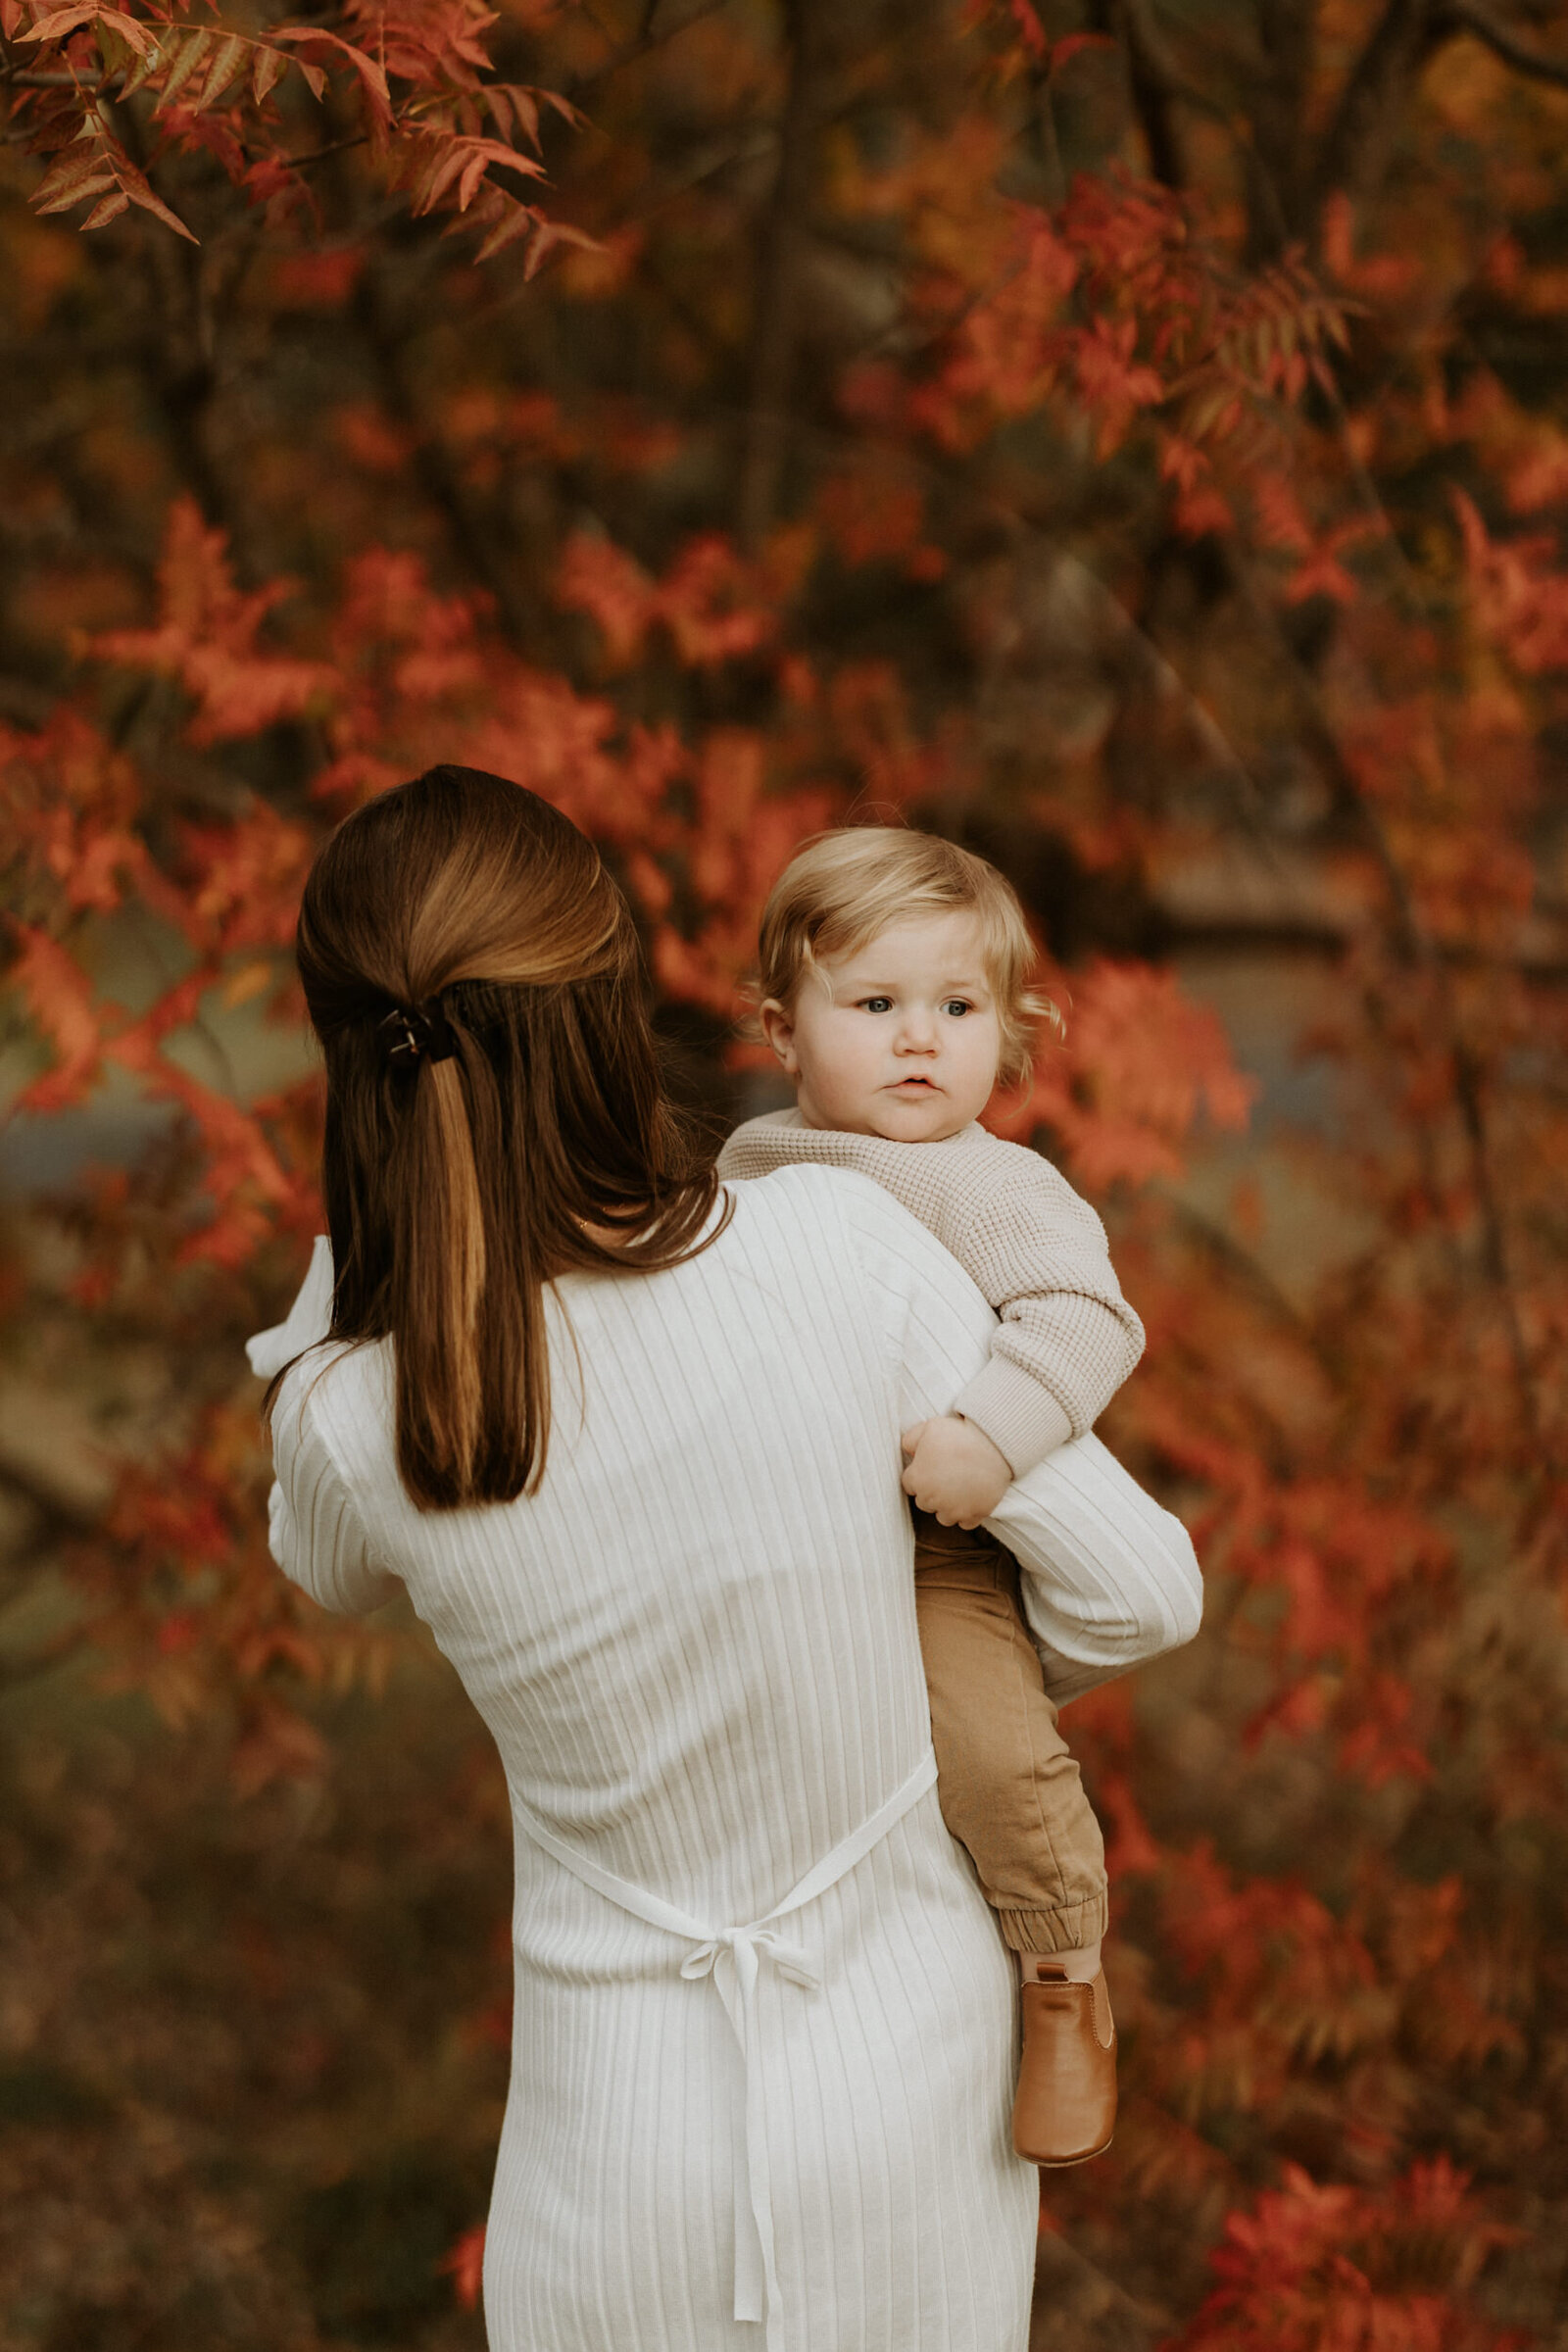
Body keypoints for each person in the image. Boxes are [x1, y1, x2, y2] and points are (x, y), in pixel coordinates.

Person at [254, 765, 1202, 2352]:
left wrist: (359, 1253)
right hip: (908, 2106)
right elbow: (1142, 1589)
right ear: (611, 1001)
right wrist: (903, 1657)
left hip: (606, 2162)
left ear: (352, 1055)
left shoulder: (364, 1406)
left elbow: (324, 1565)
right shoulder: (840, 1252)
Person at [717, 828, 1140, 2168]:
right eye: (876, 1005)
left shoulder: (988, 1181)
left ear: (1007, 1035)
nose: (919, 1042)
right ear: (784, 1029)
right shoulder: (748, 1164)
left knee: (993, 1750)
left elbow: (1087, 1317)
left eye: (956, 1010)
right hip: (770, 1535)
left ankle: (1063, 1973)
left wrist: (991, 1436)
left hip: (933, 1548)